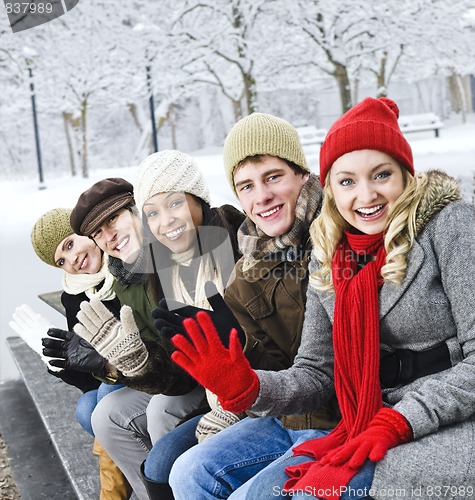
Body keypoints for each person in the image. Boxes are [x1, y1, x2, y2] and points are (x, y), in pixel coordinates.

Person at [166, 97, 472, 499]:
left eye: (381, 175)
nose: (365, 195)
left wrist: (400, 420)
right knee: (189, 471)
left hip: (445, 416)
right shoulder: (332, 254)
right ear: (332, 187)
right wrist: (245, 386)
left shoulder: (448, 227)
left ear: (405, 175)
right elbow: (316, 370)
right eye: (347, 181)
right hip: (366, 416)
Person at [145, 113, 339, 498]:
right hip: (289, 411)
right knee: (187, 471)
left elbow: (322, 366)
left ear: (302, 174)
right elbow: (272, 366)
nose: (261, 196)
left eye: (273, 177)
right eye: (246, 185)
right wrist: (235, 350)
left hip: (336, 415)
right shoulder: (248, 269)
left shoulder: (335, 234)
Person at [67, 176, 206, 500]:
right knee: (105, 414)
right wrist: (110, 363)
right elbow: (151, 356)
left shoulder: (171, 250)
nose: (109, 236)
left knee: (160, 410)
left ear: (136, 209)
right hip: (174, 374)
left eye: (113, 219)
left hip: (206, 373)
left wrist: (127, 365)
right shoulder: (122, 280)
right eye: (98, 233)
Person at [12, 208, 131, 500]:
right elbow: (90, 380)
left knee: (101, 404)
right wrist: (59, 362)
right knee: (87, 407)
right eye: (61, 261)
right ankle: (129, 465)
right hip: (114, 378)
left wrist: (101, 361)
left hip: (146, 366)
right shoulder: (74, 297)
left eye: (69, 244)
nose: (72, 260)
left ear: (86, 230)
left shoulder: (124, 262)